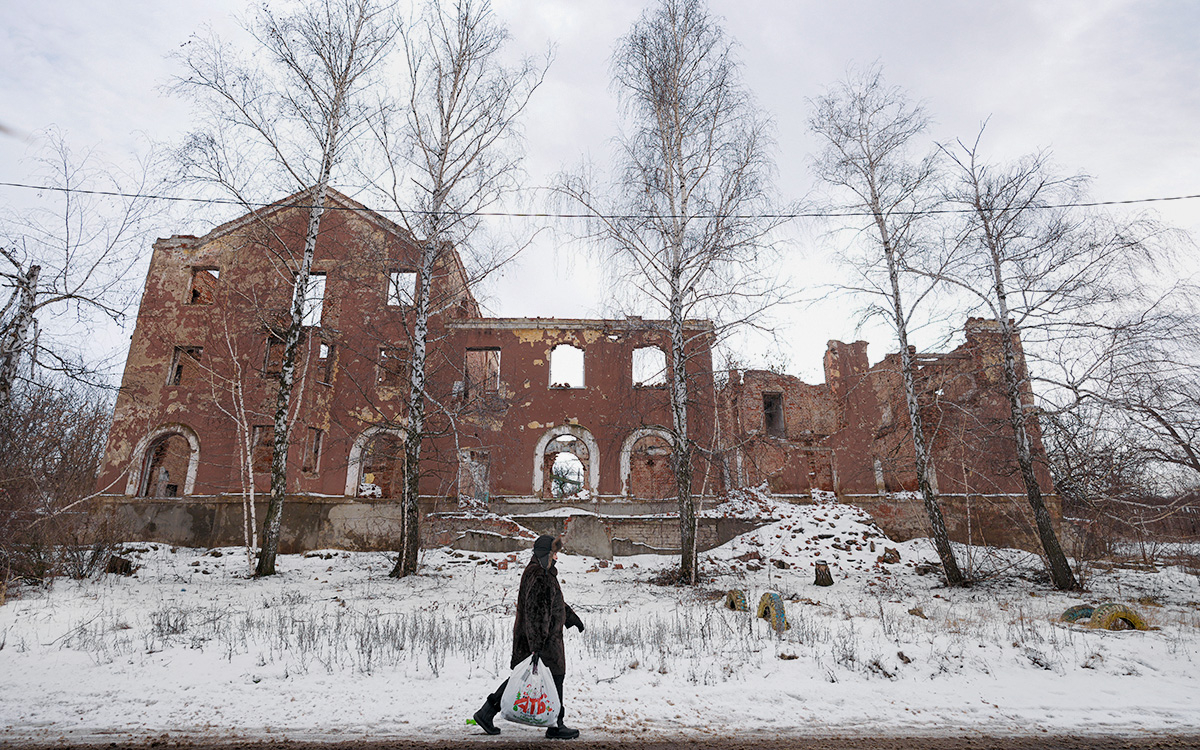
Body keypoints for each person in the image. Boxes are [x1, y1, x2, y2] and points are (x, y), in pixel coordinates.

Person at [473, 535, 584, 740]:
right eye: (553, 553)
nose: (556, 558)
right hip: (543, 642)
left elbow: (554, 603)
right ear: (545, 554)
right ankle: (556, 725)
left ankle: (486, 713)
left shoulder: (541, 572)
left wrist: (571, 619)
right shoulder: (540, 575)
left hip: (537, 640)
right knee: (554, 678)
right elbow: (537, 613)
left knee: (522, 677)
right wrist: (538, 646)